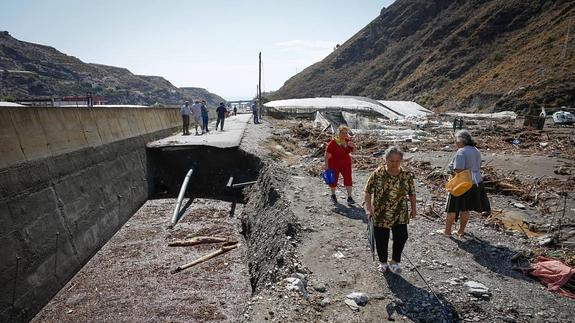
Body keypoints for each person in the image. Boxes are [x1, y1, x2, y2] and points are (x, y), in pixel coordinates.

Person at [364, 146, 416, 274]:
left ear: (401, 161)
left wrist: (414, 209)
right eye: (391, 161)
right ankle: (383, 262)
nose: (394, 164)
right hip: (381, 212)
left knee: (402, 236)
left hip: (400, 212)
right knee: (382, 238)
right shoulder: (378, 173)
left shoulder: (406, 175)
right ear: (385, 160)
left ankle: (394, 261)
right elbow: (367, 191)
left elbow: (412, 193)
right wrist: (368, 209)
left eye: (397, 161)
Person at [441, 130, 490, 237]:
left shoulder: (461, 152)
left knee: (452, 208)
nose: (455, 143)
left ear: (461, 140)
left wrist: (451, 172)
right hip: (476, 182)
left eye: (456, 140)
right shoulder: (476, 150)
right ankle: (461, 231)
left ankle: (447, 231)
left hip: (462, 184)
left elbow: (459, 169)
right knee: (465, 208)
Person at [324, 125, 355, 205]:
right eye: (343, 133)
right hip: (334, 164)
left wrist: (353, 147)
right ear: (339, 133)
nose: (345, 134)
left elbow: (352, 151)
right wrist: (326, 167)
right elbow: (326, 155)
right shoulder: (333, 142)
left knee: (348, 179)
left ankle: (349, 197)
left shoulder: (348, 141)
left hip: (346, 163)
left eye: (346, 133)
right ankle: (333, 195)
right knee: (333, 180)